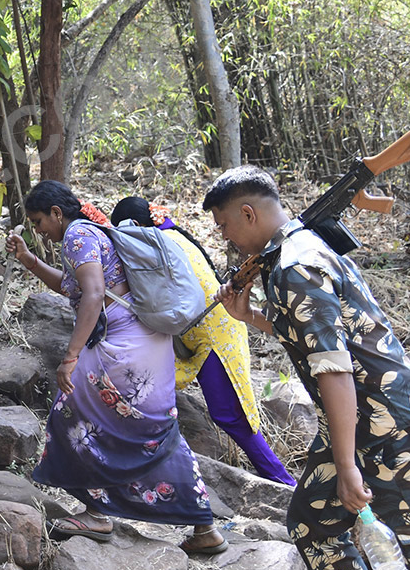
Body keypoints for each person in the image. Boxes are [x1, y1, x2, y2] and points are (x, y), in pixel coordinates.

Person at [204, 166, 410, 570]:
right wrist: (251, 317)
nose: (225, 239)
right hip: (354, 423)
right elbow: (316, 333)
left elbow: (336, 370)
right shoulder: (293, 253)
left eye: (224, 226)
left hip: (388, 427)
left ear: (247, 213)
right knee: (312, 523)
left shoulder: (296, 264)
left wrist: (347, 467)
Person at [5, 181, 224, 553]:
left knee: (70, 414)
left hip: (121, 346)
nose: (39, 229)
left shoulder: (76, 236)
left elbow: (92, 296)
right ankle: (204, 527)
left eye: (40, 220)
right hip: (149, 342)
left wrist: (71, 356)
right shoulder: (93, 233)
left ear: (58, 213)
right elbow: (76, 287)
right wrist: (30, 261)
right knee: (153, 429)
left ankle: (96, 513)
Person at [110, 196, 295, 486]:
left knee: (231, 414)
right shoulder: (167, 237)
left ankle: (284, 483)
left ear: (133, 226)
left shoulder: (157, 243)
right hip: (209, 329)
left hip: (214, 333)